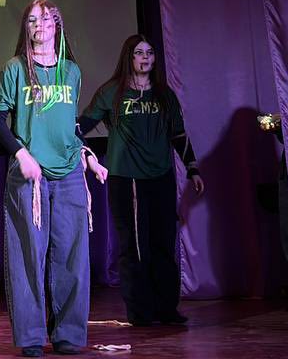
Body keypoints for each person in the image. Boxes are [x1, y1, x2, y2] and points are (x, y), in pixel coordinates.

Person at [0, 0, 107, 358]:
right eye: (31, 20)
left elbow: (69, 126)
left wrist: (87, 156)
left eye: (44, 19)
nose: (38, 25)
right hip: (30, 174)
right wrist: (21, 154)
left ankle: (68, 334)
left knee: (72, 256)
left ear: (57, 24)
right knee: (27, 256)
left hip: (69, 172)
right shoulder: (14, 69)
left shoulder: (71, 71)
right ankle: (30, 337)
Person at [78, 35, 203, 326]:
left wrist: (193, 168)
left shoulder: (164, 95)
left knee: (162, 243)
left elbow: (178, 134)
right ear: (129, 57)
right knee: (134, 247)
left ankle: (166, 309)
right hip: (127, 179)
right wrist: (86, 156)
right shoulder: (112, 92)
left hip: (161, 177)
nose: (145, 57)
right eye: (139, 52)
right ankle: (140, 312)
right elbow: (80, 126)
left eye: (149, 52)